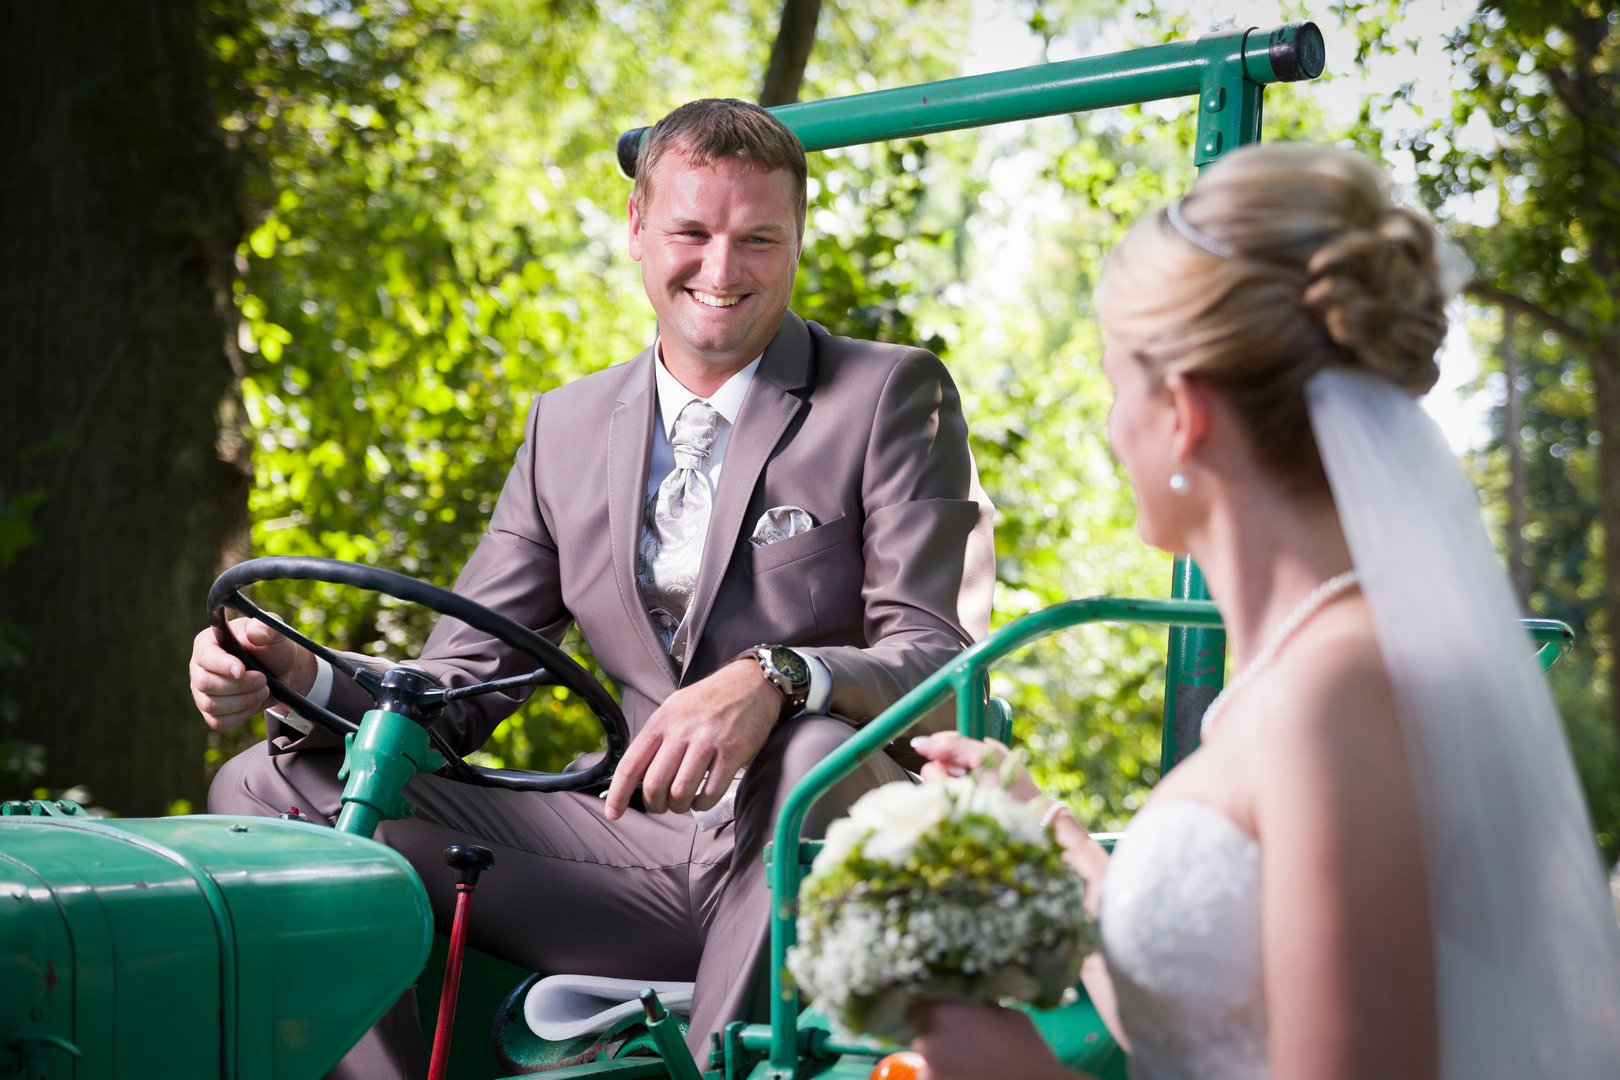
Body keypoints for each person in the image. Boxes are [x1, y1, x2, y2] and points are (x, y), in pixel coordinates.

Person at [188, 98, 995, 1077]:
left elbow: (939, 660)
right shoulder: (564, 429)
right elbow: (468, 679)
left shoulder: (886, 393)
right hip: (629, 860)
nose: (722, 270)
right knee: (265, 787)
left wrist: (777, 675)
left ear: (796, 239)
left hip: (814, 858)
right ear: (638, 232)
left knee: (813, 750)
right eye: (692, 233)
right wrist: (300, 675)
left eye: (758, 239)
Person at [902, 143, 1620, 1080]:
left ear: (1186, 413)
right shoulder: (1308, 669)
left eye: (1120, 387)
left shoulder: (1337, 691)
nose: (1114, 427)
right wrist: (1051, 832)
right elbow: (1215, 1012)